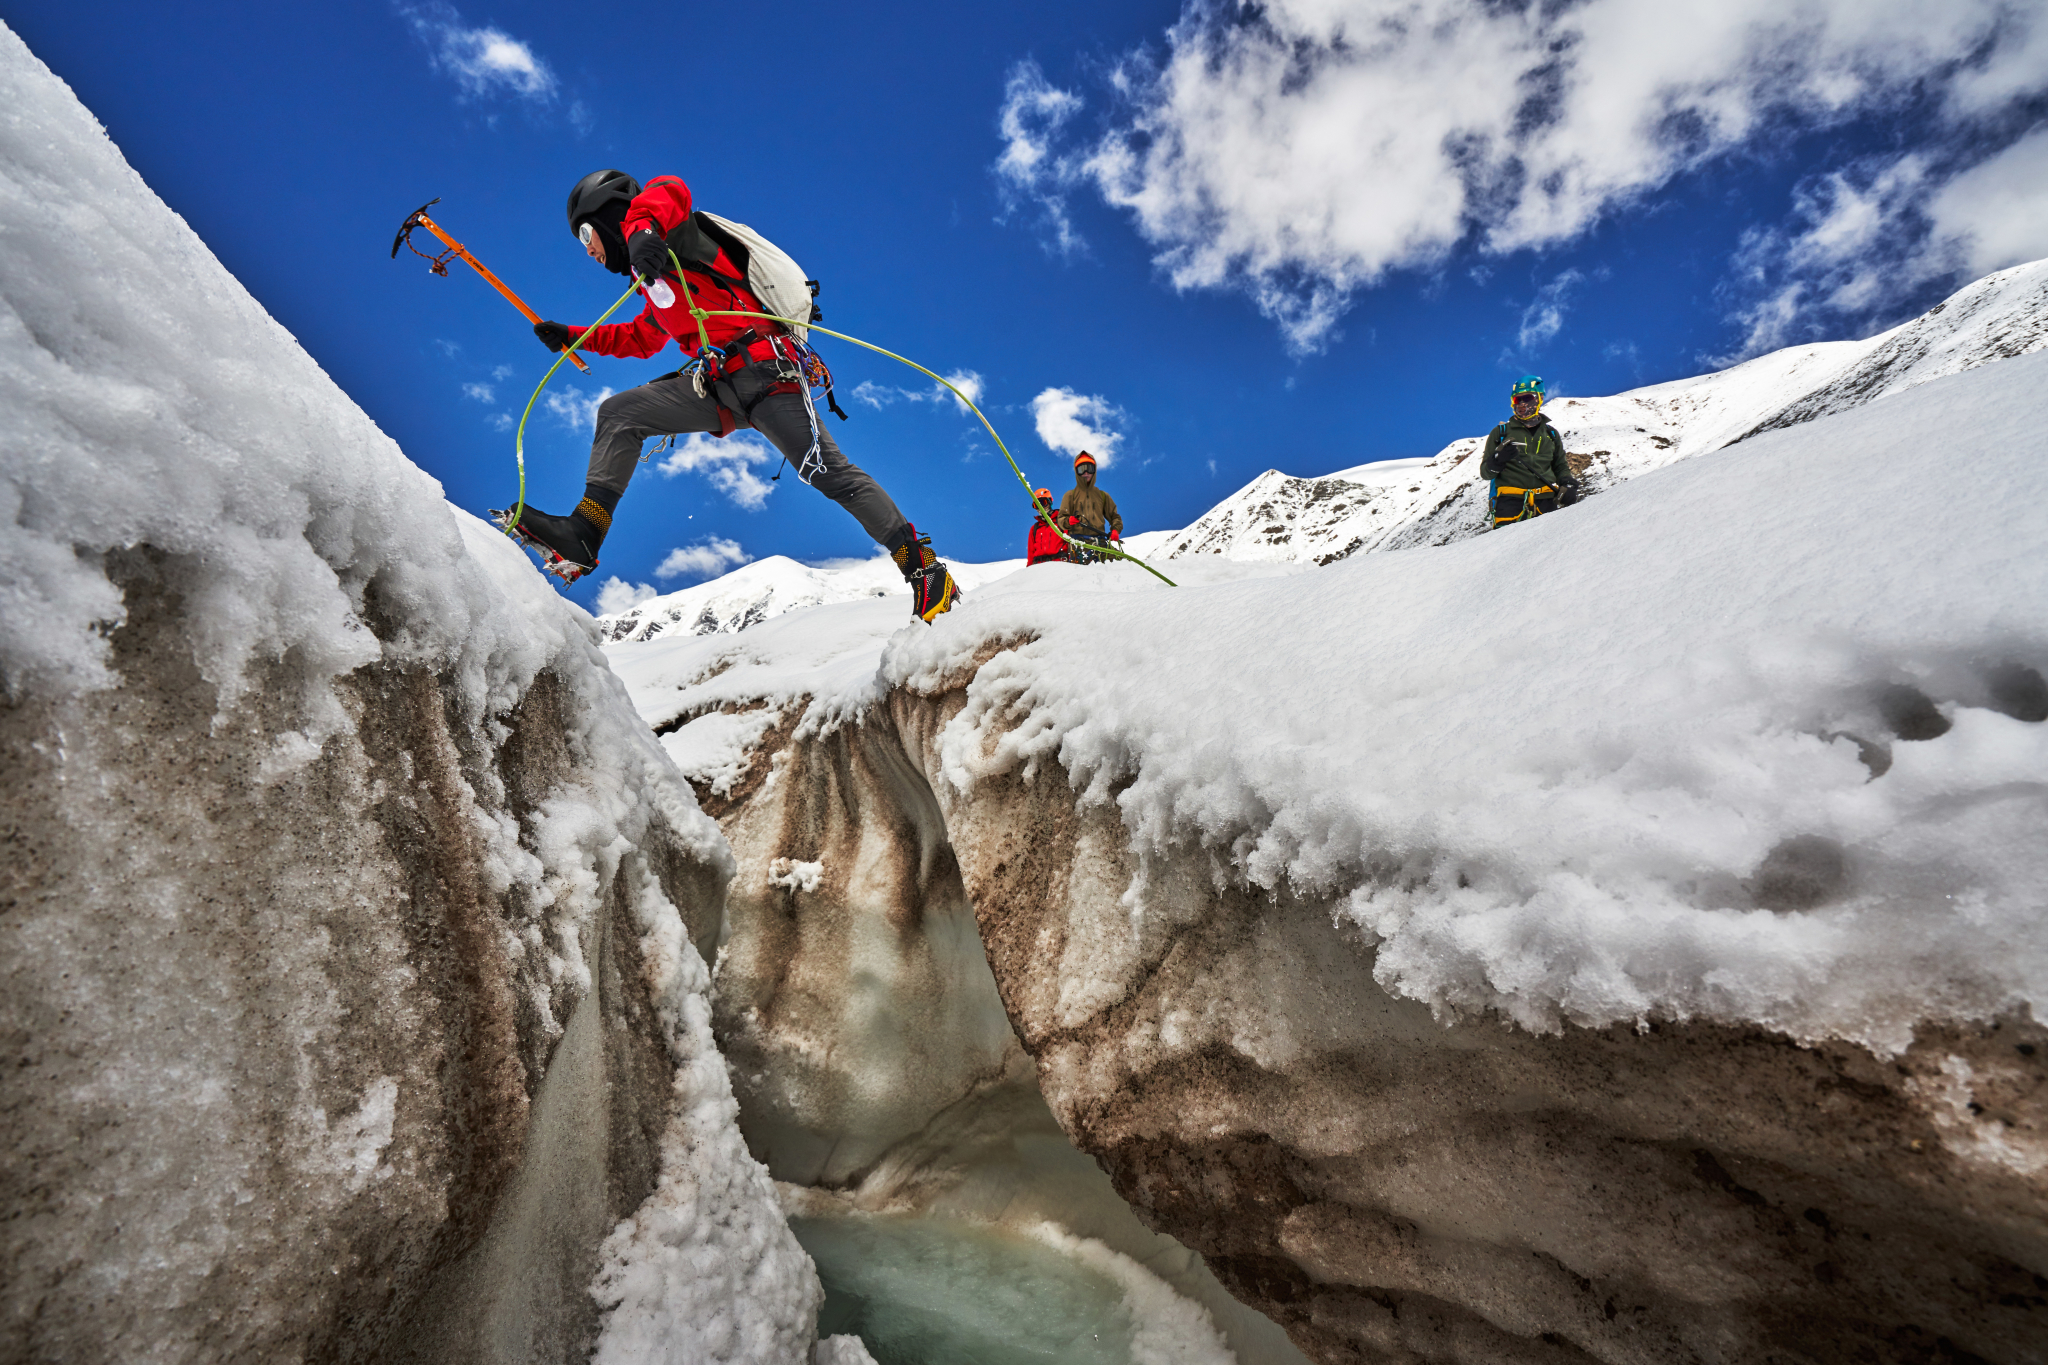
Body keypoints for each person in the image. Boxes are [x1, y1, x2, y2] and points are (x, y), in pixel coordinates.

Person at [515, 170, 957, 622]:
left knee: (826, 472)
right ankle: (585, 532)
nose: (587, 248)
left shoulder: (675, 228)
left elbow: (670, 191)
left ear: (611, 212)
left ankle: (923, 568)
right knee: (619, 414)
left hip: (767, 371)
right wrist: (573, 336)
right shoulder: (655, 282)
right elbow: (642, 338)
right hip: (715, 386)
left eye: (587, 232)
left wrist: (644, 231)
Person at [1480, 375, 1579, 528]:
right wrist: (1498, 459)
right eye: (1517, 400)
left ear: (1539, 398)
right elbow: (1486, 473)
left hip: (1546, 502)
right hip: (1508, 503)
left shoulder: (1551, 434)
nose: (1522, 404)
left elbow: (1560, 466)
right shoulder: (1500, 433)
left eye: (1527, 398)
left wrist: (1568, 484)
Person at [1059, 452, 1122, 547]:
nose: (1086, 473)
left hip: (1100, 543)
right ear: (1077, 472)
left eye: (1089, 468)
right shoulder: (1070, 496)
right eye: (1082, 469)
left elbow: (1114, 516)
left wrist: (1115, 530)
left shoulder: (1103, 495)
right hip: (1078, 545)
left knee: (1123, 562)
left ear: (1094, 471)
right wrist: (1068, 521)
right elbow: (1061, 519)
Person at [1026, 488, 1066, 566]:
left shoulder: (1061, 522)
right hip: (1039, 568)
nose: (1041, 507)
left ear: (1050, 502)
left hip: (1060, 566)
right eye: (1036, 505)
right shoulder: (1035, 528)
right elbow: (1031, 554)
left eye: (1043, 503)